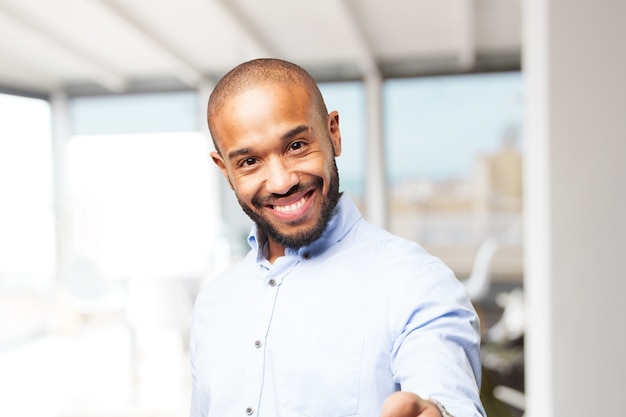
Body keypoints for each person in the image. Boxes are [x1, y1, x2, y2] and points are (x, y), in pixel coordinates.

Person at [189, 58, 485, 417]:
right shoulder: (213, 304)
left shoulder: (416, 284)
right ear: (225, 170)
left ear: (334, 134)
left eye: (296, 145)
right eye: (249, 162)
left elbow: (447, 395)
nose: (282, 182)